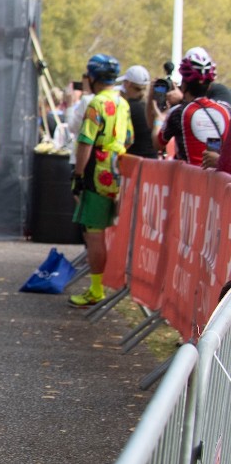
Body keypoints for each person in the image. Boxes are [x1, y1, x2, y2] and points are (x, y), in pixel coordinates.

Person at [69, 54, 132, 307]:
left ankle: (96, 290)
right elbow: (128, 138)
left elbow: (85, 141)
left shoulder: (96, 103)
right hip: (116, 170)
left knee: (93, 234)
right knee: (102, 232)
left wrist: (79, 175)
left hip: (96, 172)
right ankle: (98, 287)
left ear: (93, 78)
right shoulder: (122, 102)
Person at [158, 48, 229, 167]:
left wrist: (157, 113)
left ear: (184, 84)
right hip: (217, 180)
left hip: (191, 180)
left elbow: (158, 144)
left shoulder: (178, 112)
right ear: (209, 85)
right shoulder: (224, 111)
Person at [117, 65, 157, 158]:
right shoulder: (151, 107)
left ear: (128, 84)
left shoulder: (126, 108)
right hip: (153, 162)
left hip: (132, 163)